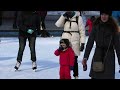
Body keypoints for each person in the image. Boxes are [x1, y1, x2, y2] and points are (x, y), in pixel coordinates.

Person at [82, 10, 120, 79]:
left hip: (109, 57)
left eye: (106, 14)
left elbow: (118, 46)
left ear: (109, 16)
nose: (104, 16)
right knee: (96, 76)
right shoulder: (96, 26)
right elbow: (90, 43)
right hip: (97, 56)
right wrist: (85, 57)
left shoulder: (113, 28)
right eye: (102, 14)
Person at [55, 11, 86, 79]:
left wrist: (82, 43)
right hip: (65, 41)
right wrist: (63, 16)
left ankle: (76, 76)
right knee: (64, 59)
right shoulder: (65, 17)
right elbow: (58, 24)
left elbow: (82, 31)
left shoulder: (78, 18)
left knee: (74, 59)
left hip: (75, 40)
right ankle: (64, 76)